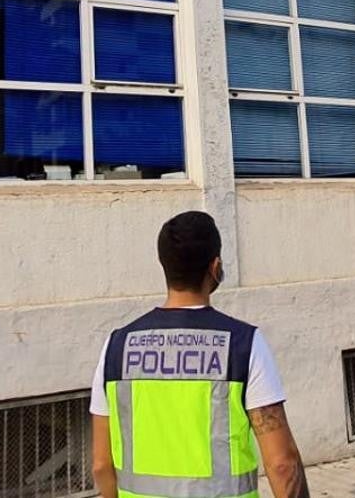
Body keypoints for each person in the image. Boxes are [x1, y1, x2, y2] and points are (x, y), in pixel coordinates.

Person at [90, 211, 310, 498]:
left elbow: (101, 465)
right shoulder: (243, 344)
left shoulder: (116, 346)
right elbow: (282, 464)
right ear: (215, 267)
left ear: (164, 266)